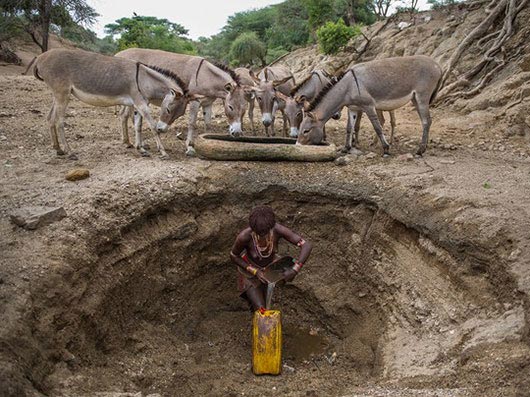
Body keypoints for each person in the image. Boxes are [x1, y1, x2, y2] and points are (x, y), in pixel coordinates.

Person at [230, 206, 312, 311]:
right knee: (261, 310)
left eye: (265, 231)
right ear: (253, 228)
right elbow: (233, 255)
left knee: (264, 302)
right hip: (249, 273)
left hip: (270, 270)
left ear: (271, 226)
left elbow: (306, 245)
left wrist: (295, 269)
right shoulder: (244, 237)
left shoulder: (277, 230)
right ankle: (259, 318)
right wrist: (255, 271)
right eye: (259, 232)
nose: (262, 235)